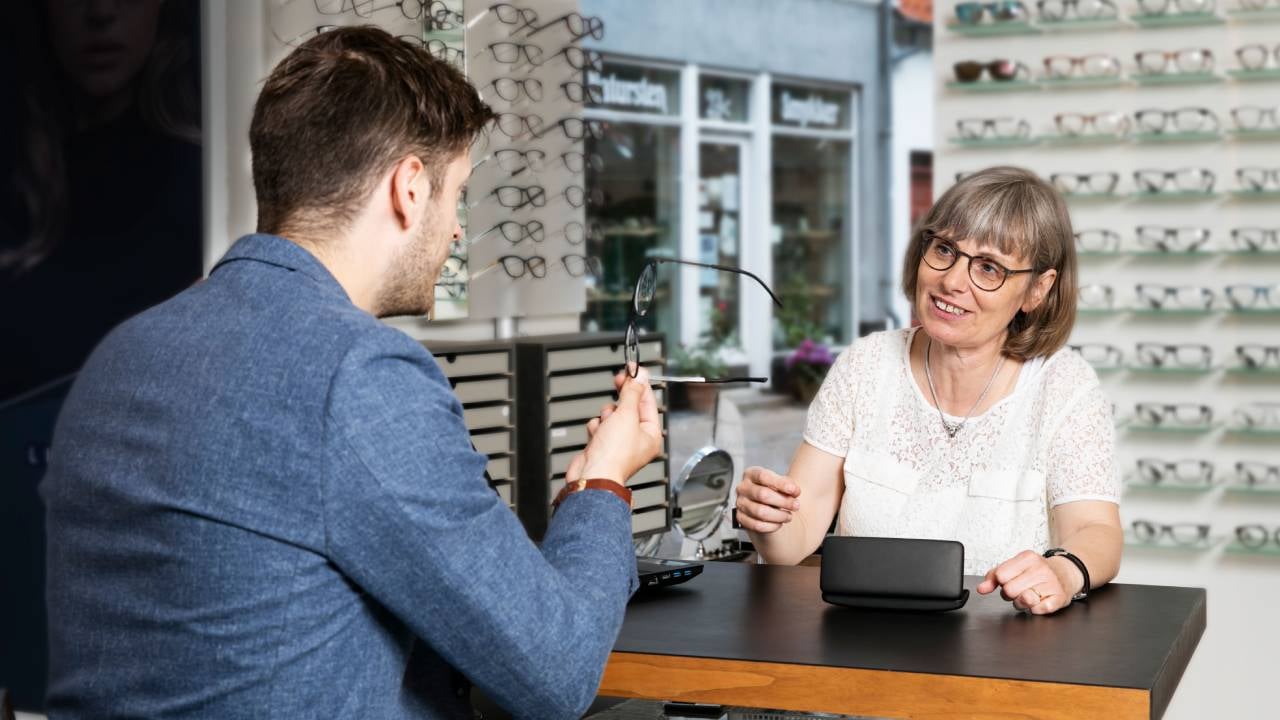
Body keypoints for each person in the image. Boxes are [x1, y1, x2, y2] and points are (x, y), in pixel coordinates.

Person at [41, 26, 662, 719]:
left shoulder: (121, 355)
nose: (458, 231)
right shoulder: (358, 373)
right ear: (408, 186)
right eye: (457, 194)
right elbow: (557, 672)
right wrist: (603, 483)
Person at [736, 166, 1122, 616]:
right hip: (859, 652)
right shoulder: (865, 364)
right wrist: (768, 520)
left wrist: (1063, 570)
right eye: (944, 250)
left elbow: (1096, 530)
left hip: (1001, 660)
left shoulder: (1064, 386)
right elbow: (794, 538)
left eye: (989, 268)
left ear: (1037, 289)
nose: (953, 281)